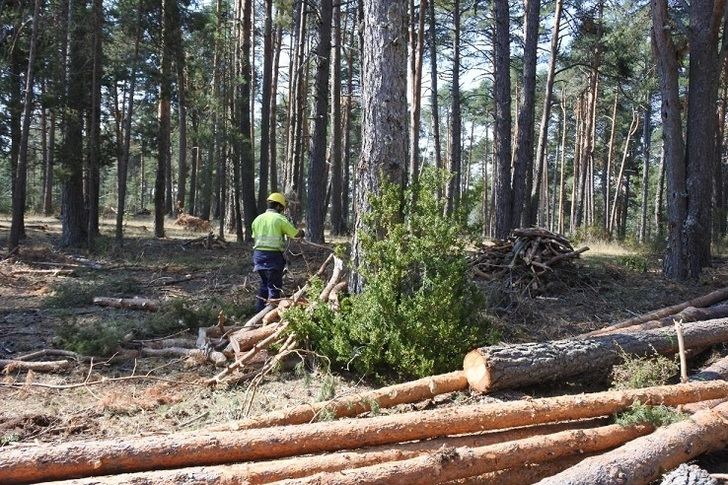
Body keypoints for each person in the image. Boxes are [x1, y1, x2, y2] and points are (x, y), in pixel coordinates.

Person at [251, 192, 304, 312]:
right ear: (279, 206)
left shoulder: (257, 219)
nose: (283, 210)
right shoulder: (280, 219)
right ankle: (270, 315)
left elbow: (255, 236)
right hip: (273, 257)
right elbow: (295, 234)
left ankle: (259, 313)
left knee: (264, 285)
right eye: (282, 207)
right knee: (274, 287)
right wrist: (301, 232)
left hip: (258, 256)